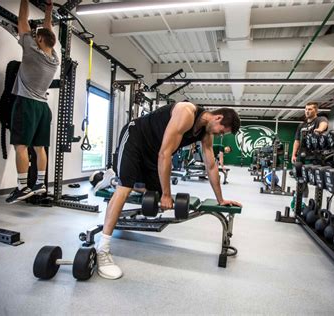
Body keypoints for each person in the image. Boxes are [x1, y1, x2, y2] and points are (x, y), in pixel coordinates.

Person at [97, 102, 242, 279]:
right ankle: (102, 250)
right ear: (218, 118)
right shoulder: (186, 112)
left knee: (151, 194)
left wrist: (220, 199)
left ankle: (113, 178)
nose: (218, 135)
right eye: (221, 131)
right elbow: (165, 155)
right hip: (136, 137)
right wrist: (167, 194)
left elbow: (211, 166)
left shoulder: (205, 134)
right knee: (125, 188)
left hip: (154, 152)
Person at [6, 0, 59, 203]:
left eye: (36, 37)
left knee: (20, 146)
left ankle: (22, 187)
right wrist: (48, 11)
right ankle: (39, 183)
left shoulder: (31, 50)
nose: (34, 38)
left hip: (26, 104)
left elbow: (22, 20)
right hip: (42, 108)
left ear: (39, 41)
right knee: (39, 148)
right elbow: (48, 32)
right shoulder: (54, 58)